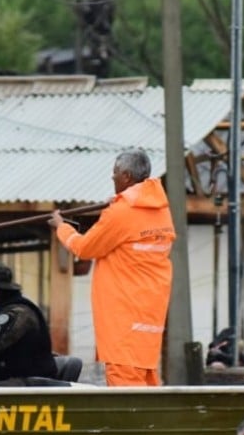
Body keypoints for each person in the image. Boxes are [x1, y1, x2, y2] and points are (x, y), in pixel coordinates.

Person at [48, 149, 175, 386]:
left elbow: (85, 247)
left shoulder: (122, 212)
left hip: (123, 318)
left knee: (126, 393)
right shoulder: (160, 210)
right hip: (149, 317)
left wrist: (61, 227)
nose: (112, 177)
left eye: (115, 173)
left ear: (126, 176)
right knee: (147, 382)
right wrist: (116, 204)